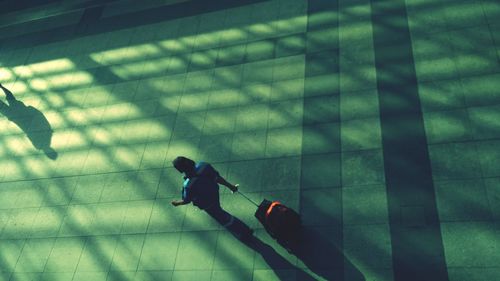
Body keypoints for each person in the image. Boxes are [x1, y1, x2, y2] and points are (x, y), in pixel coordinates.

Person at [171, 156, 253, 240]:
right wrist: (230, 186)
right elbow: (217, 178)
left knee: (222, 217)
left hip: (206, 203)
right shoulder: (203, 166)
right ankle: (244, 230)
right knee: (220, 212)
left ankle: (243, 231)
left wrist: (177, 203)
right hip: (214, 192)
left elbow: (186, 200)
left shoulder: (188, 185)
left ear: (180, 170)